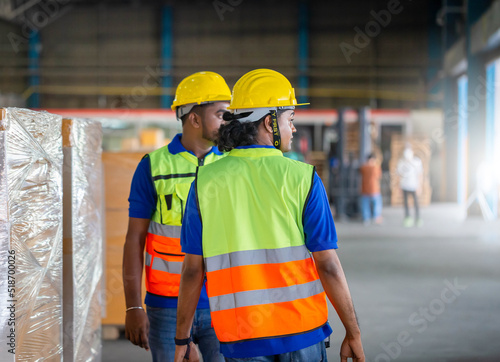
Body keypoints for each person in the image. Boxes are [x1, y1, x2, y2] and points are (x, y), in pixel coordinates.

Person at [174, 69, 365, 362]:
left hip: (243, 339)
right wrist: (353, 332)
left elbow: (191, 271)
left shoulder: (204, 182)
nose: (294, 129)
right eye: (290, 120)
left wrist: (182, 339)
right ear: (269, 122)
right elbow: (328, 266)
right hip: (303, 333)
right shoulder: (303, 178)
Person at [122, 71, 230, 361]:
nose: (227, 121)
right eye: (221, 114)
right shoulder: (152, 167)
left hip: (223, 299)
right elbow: (135, 239)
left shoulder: (232, 165)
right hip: (166, 305)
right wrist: (133, 307)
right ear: (194, 118)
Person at [396, 146, 423, 227]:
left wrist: (419, 186)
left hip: (414, 186)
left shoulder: (416, 162)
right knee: (406, 203)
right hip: (404, 186)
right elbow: (399, 176)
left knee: (416, 203)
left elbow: (420, 175)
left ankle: (418, 218)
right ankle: (407, 218)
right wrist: (399, 187)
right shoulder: (401, 163)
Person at [359, 153, 383, 225]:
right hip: (374, 189)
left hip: (365, 189)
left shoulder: (363, 167)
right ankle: (377, 217)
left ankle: (366, 218)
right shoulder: (376, 167)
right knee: (377, 204)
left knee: (365, 205)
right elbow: (379, 176)